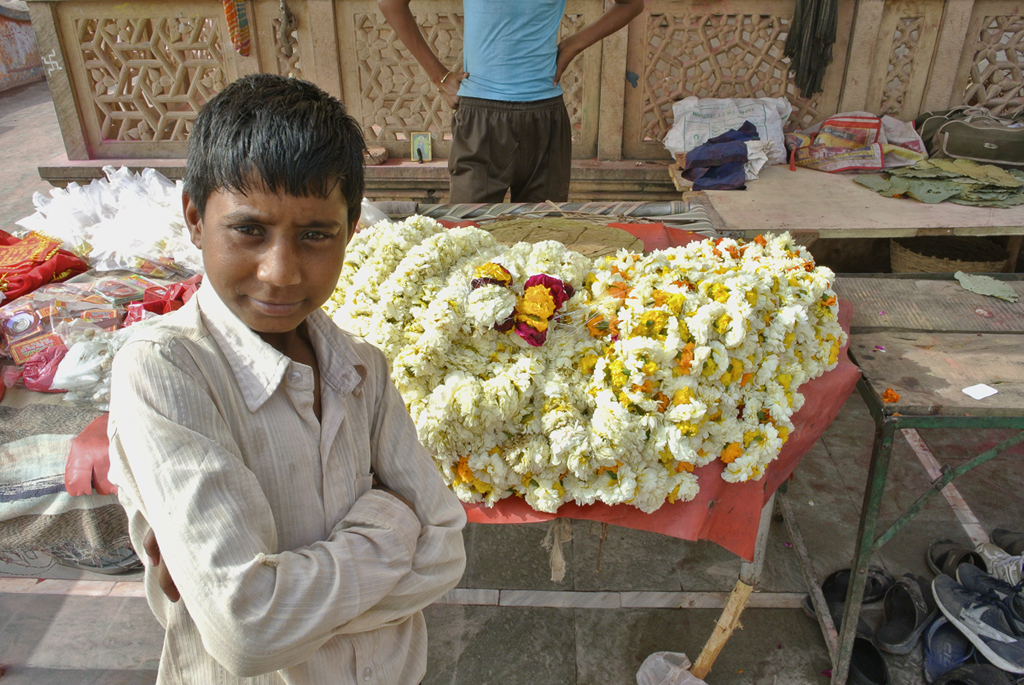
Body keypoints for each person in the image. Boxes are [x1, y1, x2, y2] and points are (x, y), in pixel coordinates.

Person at [107, 74, 467, 684]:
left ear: (351, 230)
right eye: (249, 230)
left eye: (315, 236)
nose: (280, 272)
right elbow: (249, 634)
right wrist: (394, 526)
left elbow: (445, 554)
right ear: (195, 217)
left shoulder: (362, 370)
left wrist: (283, 601)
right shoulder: (166, 370)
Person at [379, 0, 644, 204]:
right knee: (468, 237)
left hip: (545, 116)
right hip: (482, 118)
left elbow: (631, 4)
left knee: (541, 245)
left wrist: (574, 45)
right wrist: (440, 77)